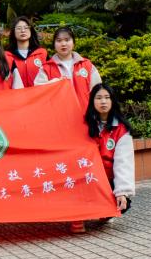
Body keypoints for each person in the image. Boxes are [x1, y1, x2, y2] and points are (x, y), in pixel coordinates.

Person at [86, 84, 134, 214]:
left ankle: (104, 213)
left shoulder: (121, 129)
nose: (103, 101)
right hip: (88, 178)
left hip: (108, 179)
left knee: (121, 203)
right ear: (92, 101)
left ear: (112, 101)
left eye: (107, 97)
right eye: (99, 98)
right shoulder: (84, 125)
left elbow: (123, 163)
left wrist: (122, 191)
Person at [34, 26, 102, 105]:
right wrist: (53, 83)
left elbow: (98, 91)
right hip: (59, 111)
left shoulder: (87, 65)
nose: (63, 44)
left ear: (73, 43)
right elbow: (38, 91)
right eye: (59, 40)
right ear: (54, 45)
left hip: (85, 111)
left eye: (67, 40)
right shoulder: (46, 68)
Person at [7, 16, 46, 88]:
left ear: (31, 31)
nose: (23, 31)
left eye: (26, 28)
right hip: (17, 94)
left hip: (39, 94)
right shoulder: (7, 56)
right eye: (19, 28)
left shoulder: (42, 53)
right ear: (13, 32)